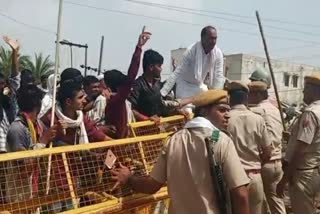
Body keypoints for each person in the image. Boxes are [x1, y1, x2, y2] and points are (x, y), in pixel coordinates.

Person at [111, 89, 250, 214]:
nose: (227, 115)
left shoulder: (173, 141)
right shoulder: (222, 141)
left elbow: (152, 185)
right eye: (222, 110)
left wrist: (129, 178)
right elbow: (241, 194)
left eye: (228, 110)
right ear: (204, 112)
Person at [6, 85, 56, 208]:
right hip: (19, 197)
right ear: (38, 106)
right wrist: (43, 141)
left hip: (34, 193)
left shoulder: (37, 125)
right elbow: (24, 170)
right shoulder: (17, 129)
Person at [227, 81, 272, 214]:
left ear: (229, 98)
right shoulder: (258, 119)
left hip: (234, 178)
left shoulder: (226, 119)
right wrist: (256, 165)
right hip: (255, 177)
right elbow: (268, 152)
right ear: (246, 98)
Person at [277, 74, 320, 214]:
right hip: (314, 171)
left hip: (302, 173)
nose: (303, 91)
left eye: (307, 87)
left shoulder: (310, 113)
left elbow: (301, 148)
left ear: (315, 90)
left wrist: (285, 178)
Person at [248, 81, 286, 214]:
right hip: (277, 161)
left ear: (257, 95)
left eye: (250, 94)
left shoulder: (257, 111)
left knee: (260, 202)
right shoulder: (275, 109)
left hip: (265, 161)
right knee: (275, 201)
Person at [104, 30, 150, 138]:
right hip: (118, 146)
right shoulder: (117, 100)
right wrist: (139, 48)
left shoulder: (114, 101)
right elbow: (131, 76)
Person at [161, 26, 225, 104]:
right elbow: (177, 72)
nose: (213, 41)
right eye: (211, 38)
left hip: (200, 86)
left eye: (215, 38)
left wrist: (217, 97)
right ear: (202, 38)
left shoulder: (218, 53)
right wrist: (163, 93)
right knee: (187, 112)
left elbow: (218, 76)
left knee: (208, 108)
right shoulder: (191, 50)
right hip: (184, 86)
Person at [0, 35, 21, 203]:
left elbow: (15, 79)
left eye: (3, 85)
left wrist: (14, 53)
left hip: (6, 154)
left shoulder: (10, 105)